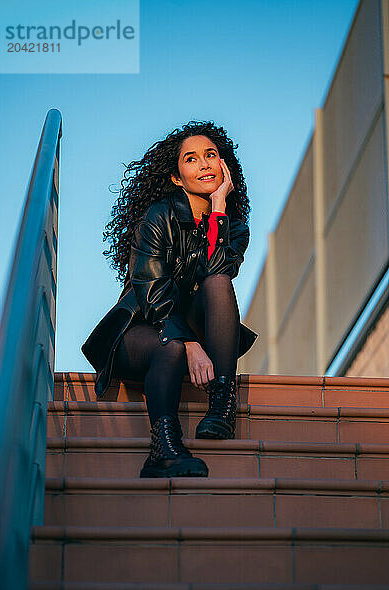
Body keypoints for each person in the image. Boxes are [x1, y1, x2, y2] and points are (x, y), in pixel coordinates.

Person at [81, 120, 258, 478]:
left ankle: (221, 404)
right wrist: (189, 342)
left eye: (211, 155)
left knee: (219, 280)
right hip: (144, 330)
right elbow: (151, 287)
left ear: (224, 167)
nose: (204, 164)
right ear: (177, 178)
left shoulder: (234, 226)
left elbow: (216, 270)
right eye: (191, 159)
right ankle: (164, 448)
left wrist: (219, 206)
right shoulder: (158, 216)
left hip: (200, 334)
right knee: (172, 346)